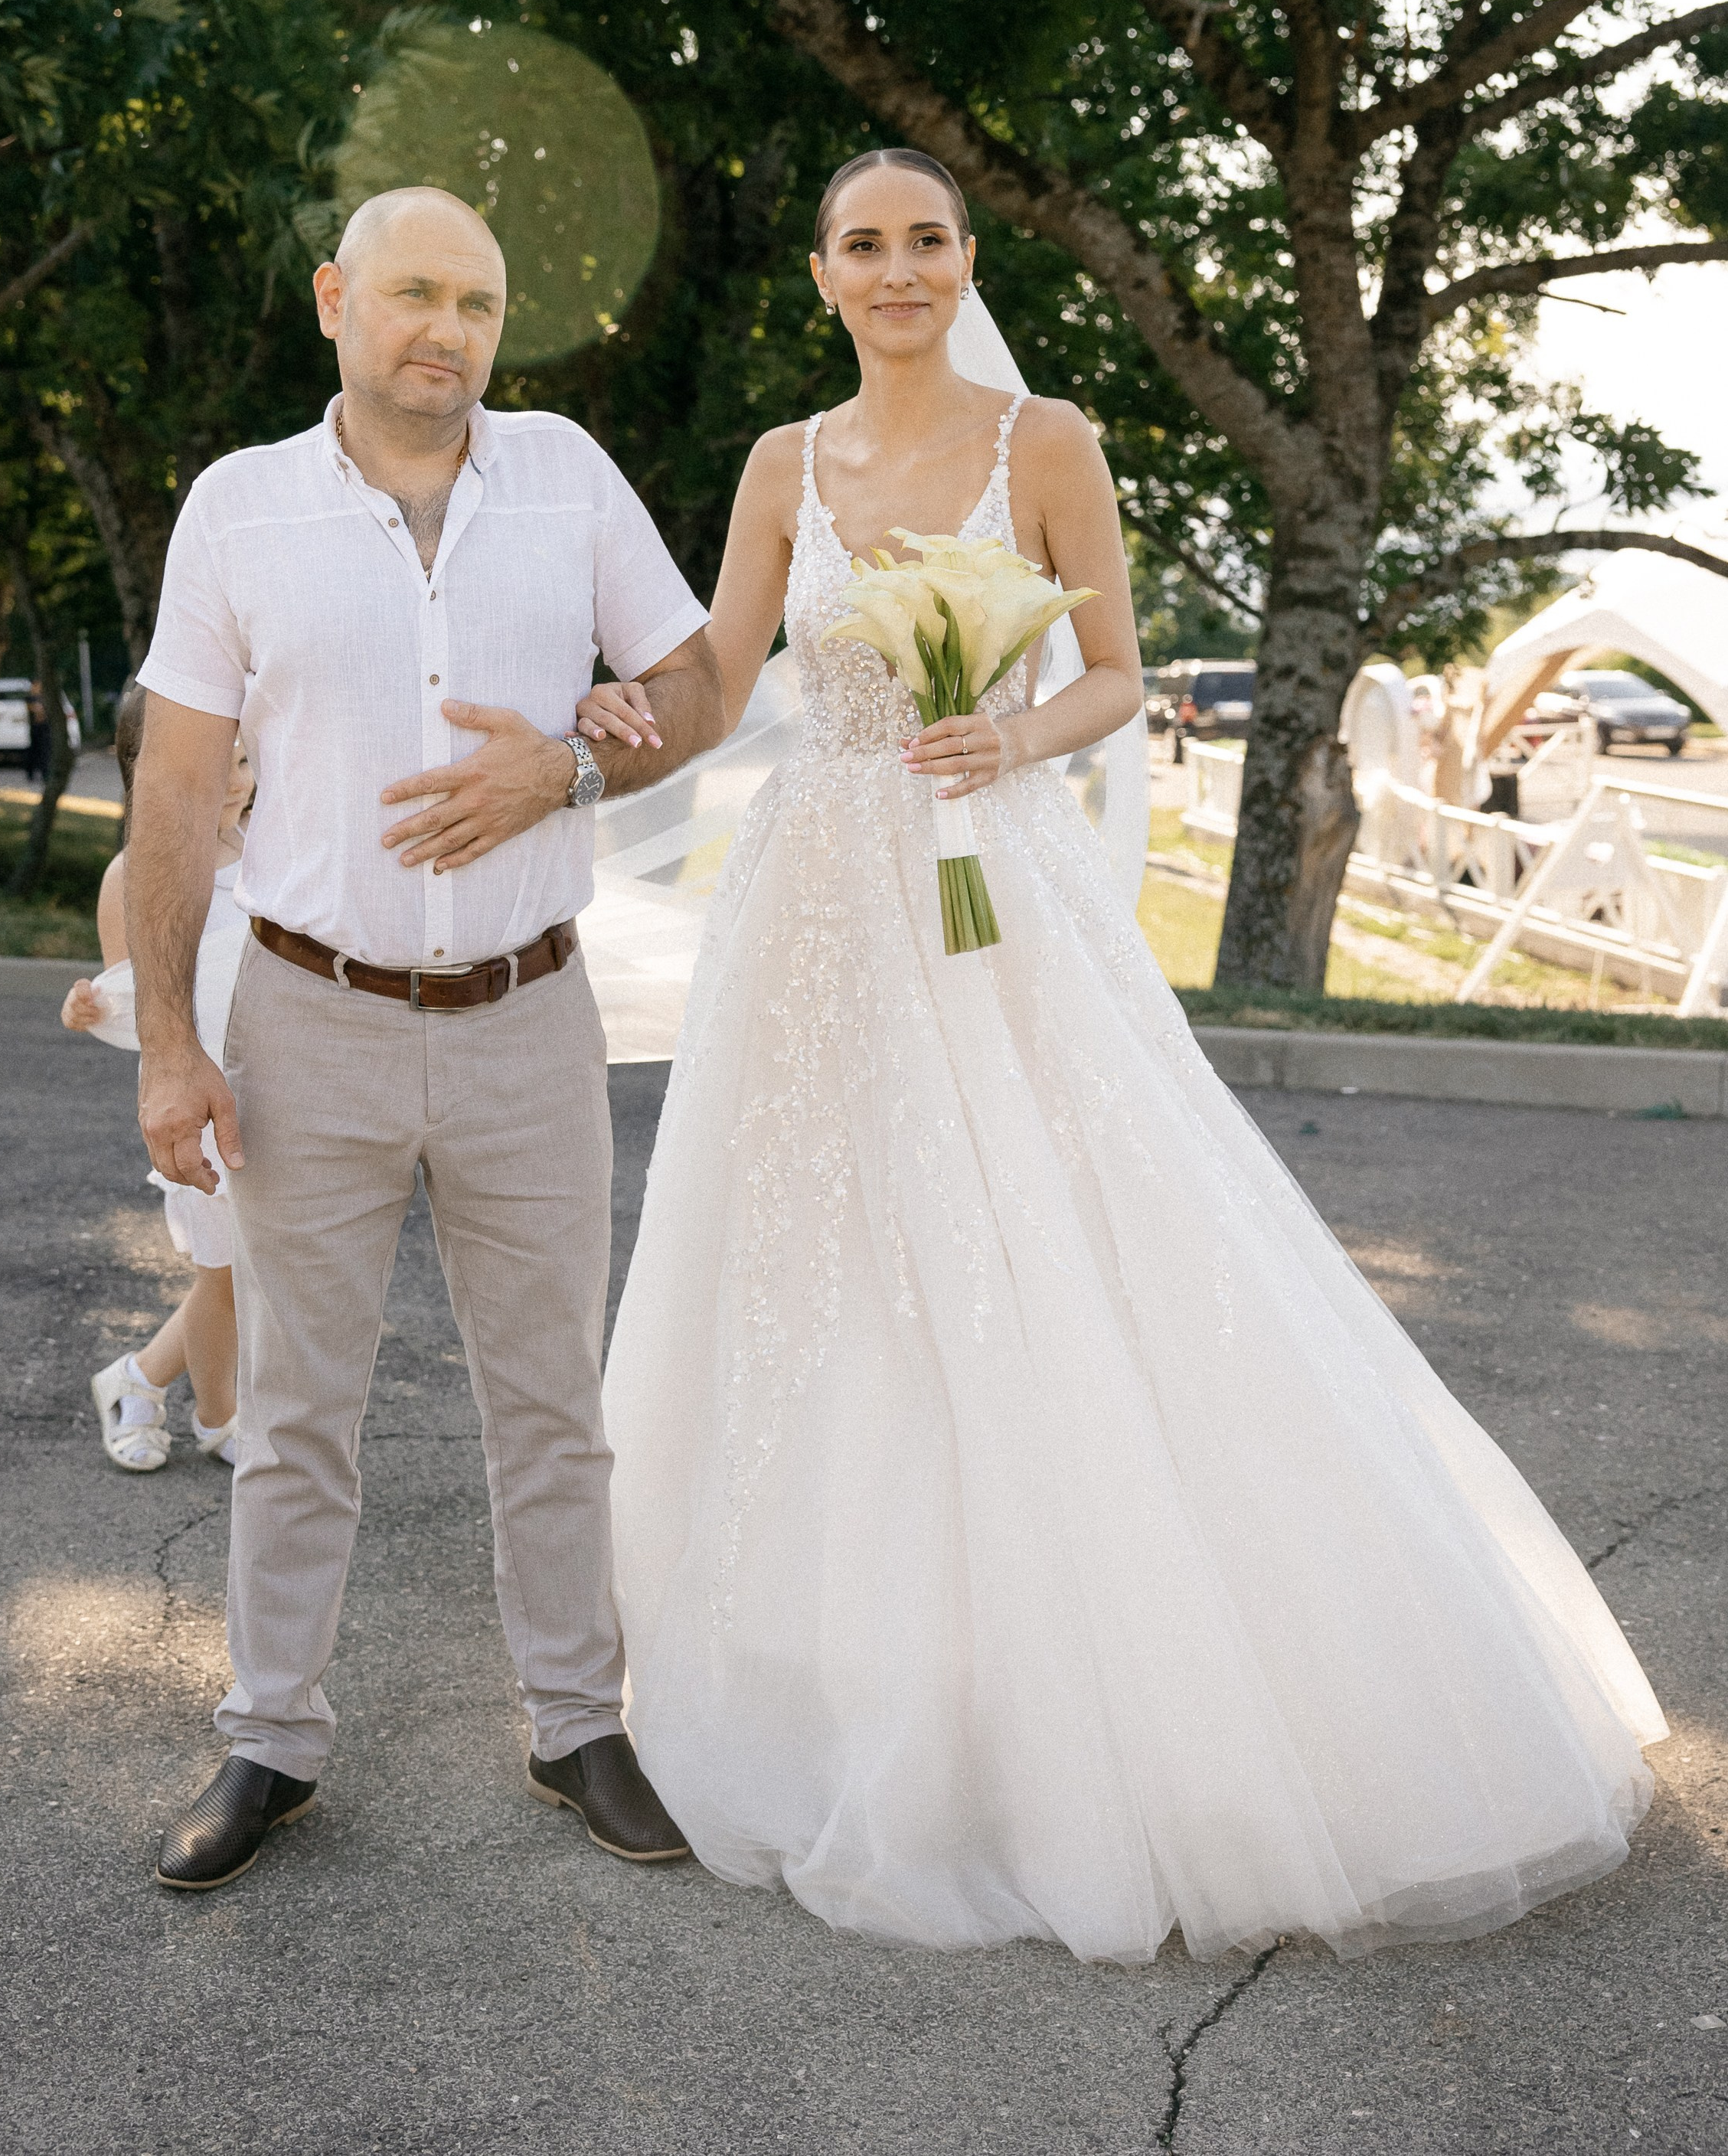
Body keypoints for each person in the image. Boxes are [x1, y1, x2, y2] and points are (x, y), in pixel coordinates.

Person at [586, 146, 1665, 1967]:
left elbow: (1108, 670)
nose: (900, 269)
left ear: (965, 256)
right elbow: (722, 666)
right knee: (820, 1252)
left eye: (927, 240)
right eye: (867, 246)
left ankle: (1088, 1688)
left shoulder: (1047, 441)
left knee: (1044, 1230)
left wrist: (1001, 745)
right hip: (820, 903)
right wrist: (626, 713)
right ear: (826, 276)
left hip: (986, 882)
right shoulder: (787, 463)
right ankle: (829, 1657)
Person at [128, 184, 724, 1893]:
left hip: (531, 1018)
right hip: (307, 1014)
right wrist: (174, 1044)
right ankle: (267, 1737)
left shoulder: (569, 478)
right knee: (298, 1405)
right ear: (334, 298)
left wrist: (580, 762)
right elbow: (174, 793)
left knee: (550, 1400)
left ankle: (573, 1720)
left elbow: (693, 686)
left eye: (474, 300)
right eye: (410, 293)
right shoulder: (239, 512)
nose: (444, 329)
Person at [67, 684, 247, 1470]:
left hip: (273, 1089)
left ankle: (158, 1388)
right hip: (196, 1106)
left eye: (242, 757)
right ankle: (192, 1406)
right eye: (216, 761)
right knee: (226, 1271)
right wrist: (87, 1007)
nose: (235, 777)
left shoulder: (275, 845)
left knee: (240, 1270)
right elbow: (132, 1002)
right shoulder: (133, 872)